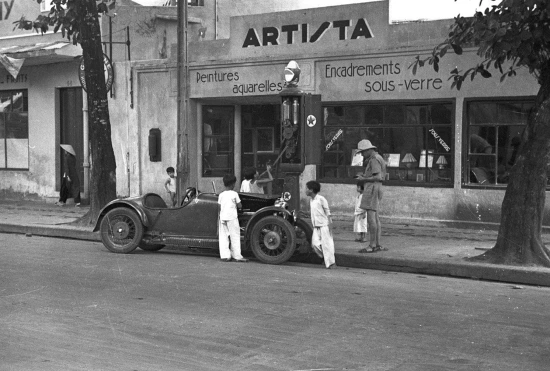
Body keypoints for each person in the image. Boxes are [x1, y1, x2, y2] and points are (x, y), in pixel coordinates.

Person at [355, 139, 387, 253]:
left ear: (368, 150)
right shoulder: (378, 158)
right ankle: (377, 244)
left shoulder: (374, 159)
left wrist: (364, 178)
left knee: (371, 218)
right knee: (376, 218)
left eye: (363, 152)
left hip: (372, 188)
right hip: (376, 187)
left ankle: (372, 245)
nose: (362, 154)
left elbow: (378, 176)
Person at [305, 180, 336, 269]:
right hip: (316, 226)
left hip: (324, 225)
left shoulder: (321, 199)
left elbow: (328, 212)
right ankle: (325, 258)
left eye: (307, 188)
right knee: (315, 244)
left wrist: (330, 224)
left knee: (327, 245)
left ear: (311, 190)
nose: (305, 190)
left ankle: (331, 263)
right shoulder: (311, 200)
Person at [218, 174, 248, 262]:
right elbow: (239, 205)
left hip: (223, 217)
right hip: (232, 218)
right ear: (232, 184)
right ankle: (237, 256)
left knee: (223, 237)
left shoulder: (221, 195)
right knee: (234, 236)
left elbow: (219, 207)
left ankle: (225, 255)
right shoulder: (234, 194)